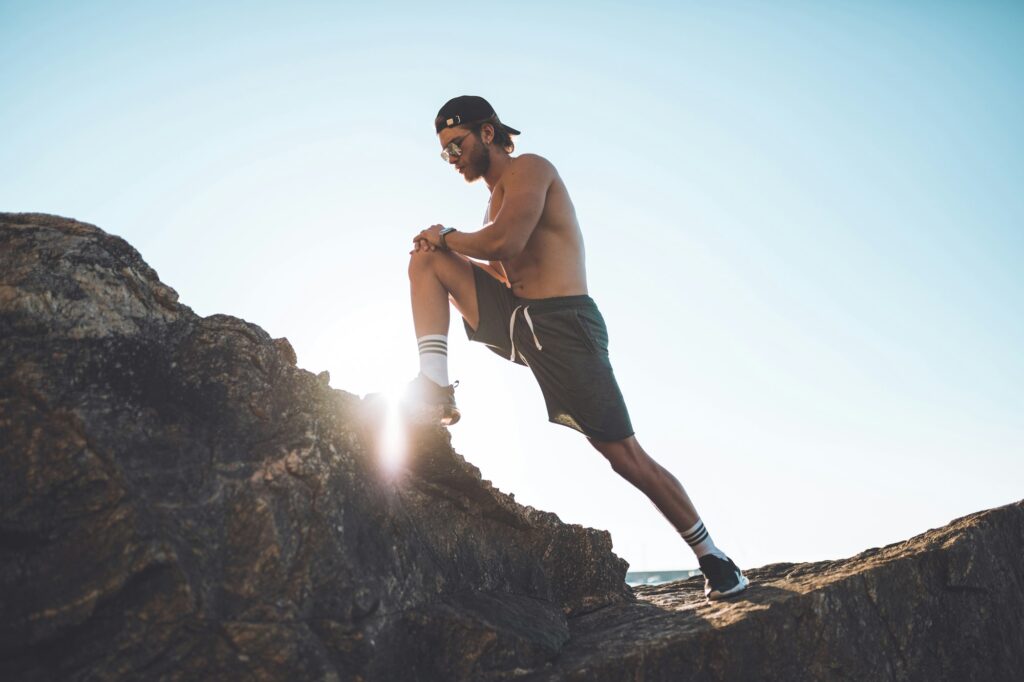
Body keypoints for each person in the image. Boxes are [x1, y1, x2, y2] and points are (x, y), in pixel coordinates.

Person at [407, 95, 749, 601]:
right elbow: (502, 268)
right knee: (425, 261)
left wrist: (448, 235)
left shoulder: (530, 170)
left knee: (624, 456)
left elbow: (504, 242)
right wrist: (440, 247)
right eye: (444, 152)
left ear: (487, 133)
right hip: (519, 321)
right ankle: (434, 386)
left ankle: (712, 556)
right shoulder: (493, 199)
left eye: (456, 145)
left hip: (565, 326)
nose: (451, 158)